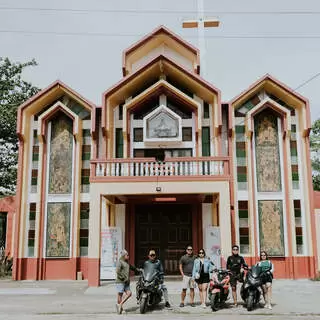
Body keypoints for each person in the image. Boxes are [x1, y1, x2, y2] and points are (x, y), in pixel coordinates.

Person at [115, 249, 141, 314]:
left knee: (129, 293)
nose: (128, 256)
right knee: (120, 295)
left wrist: (139, 270)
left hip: (126, 282)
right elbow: (117, 271)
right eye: (127, 255)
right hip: (120, 281)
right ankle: (120, 308)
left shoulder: (127, 262)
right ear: (124, 255)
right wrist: (123, 278)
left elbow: (132, 268)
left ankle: (120, 304)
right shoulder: (120, 262)